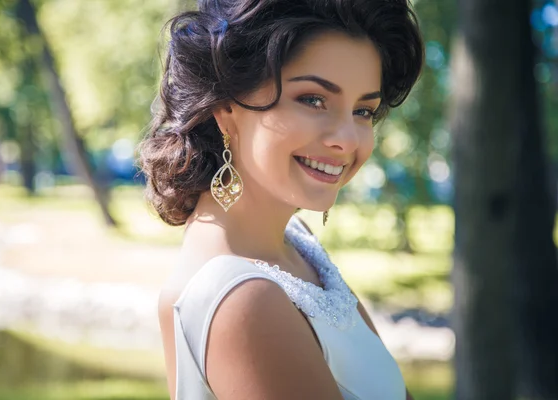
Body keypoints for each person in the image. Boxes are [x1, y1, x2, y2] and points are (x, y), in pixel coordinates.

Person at [138, 0, 423, 398]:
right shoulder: (243, 299)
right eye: (313, 100)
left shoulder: (297, 243)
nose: (346, 139)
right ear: (226, 104)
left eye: (363, 110)